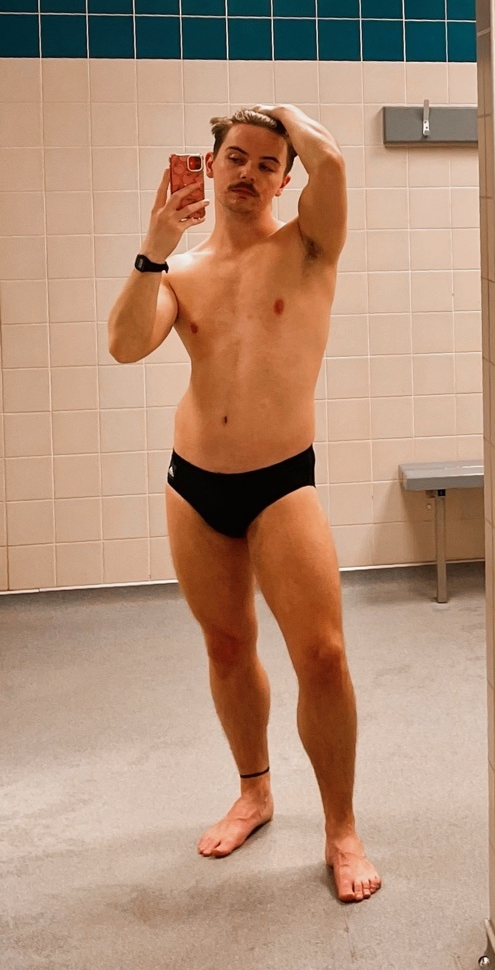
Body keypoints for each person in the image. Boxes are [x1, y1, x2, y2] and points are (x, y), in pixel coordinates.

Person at [107, 104, 381, 904]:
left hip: (281, 480)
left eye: (269, 162)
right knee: (228, 646)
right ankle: (255, 791)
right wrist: (153, 247)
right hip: (194, 483)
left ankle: (340, 827)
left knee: (323, 655)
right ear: (211, 163)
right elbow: (125, 343)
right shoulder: (181, 270)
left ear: (285, 178)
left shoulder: (309, 246)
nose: (250, 173)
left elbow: (333, 164)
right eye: (237, 157)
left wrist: (283, 117)